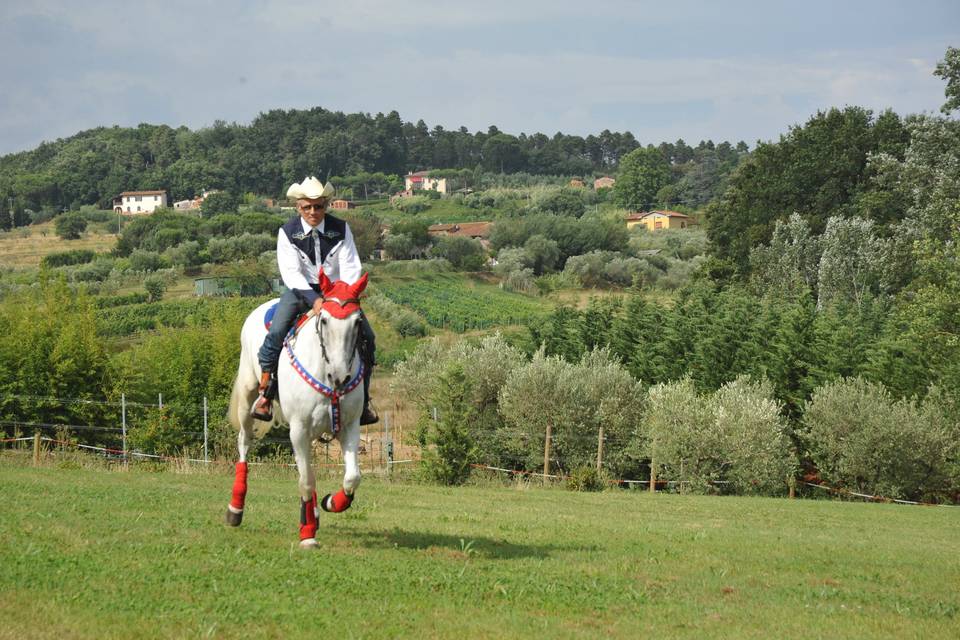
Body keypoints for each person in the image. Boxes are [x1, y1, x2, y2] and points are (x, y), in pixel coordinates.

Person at [251, 176, 378, 425]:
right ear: (298, 207)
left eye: (318, 206)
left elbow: (351, 267)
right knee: (276, 332)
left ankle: (364, 400)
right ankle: (266, 392)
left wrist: (339, 296)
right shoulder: (287, 232)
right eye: (306, 207)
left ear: (326, 205)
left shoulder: (341, 229)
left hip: (336, 294)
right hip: (301, 291)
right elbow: (291, 272)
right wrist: (314, 298)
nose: (313, 212)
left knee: (368, 337)